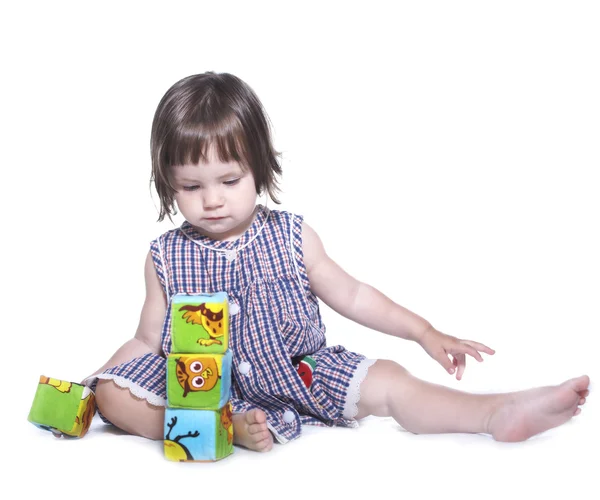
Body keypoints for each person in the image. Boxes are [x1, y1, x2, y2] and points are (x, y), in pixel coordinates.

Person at [84, 71, 590, 452]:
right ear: (167, 183)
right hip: (204, 388)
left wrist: (424, 330)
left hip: (301, 371)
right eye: (191, 187)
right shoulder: (167, 256)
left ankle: (494, 412)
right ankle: (215, 431)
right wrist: (96, 384)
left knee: (391, 380)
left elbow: (353, 294)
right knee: (114, 394)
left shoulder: (291, 236)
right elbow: (148, 340)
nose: (212, 201)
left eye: (229, 180)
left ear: (258, 168)